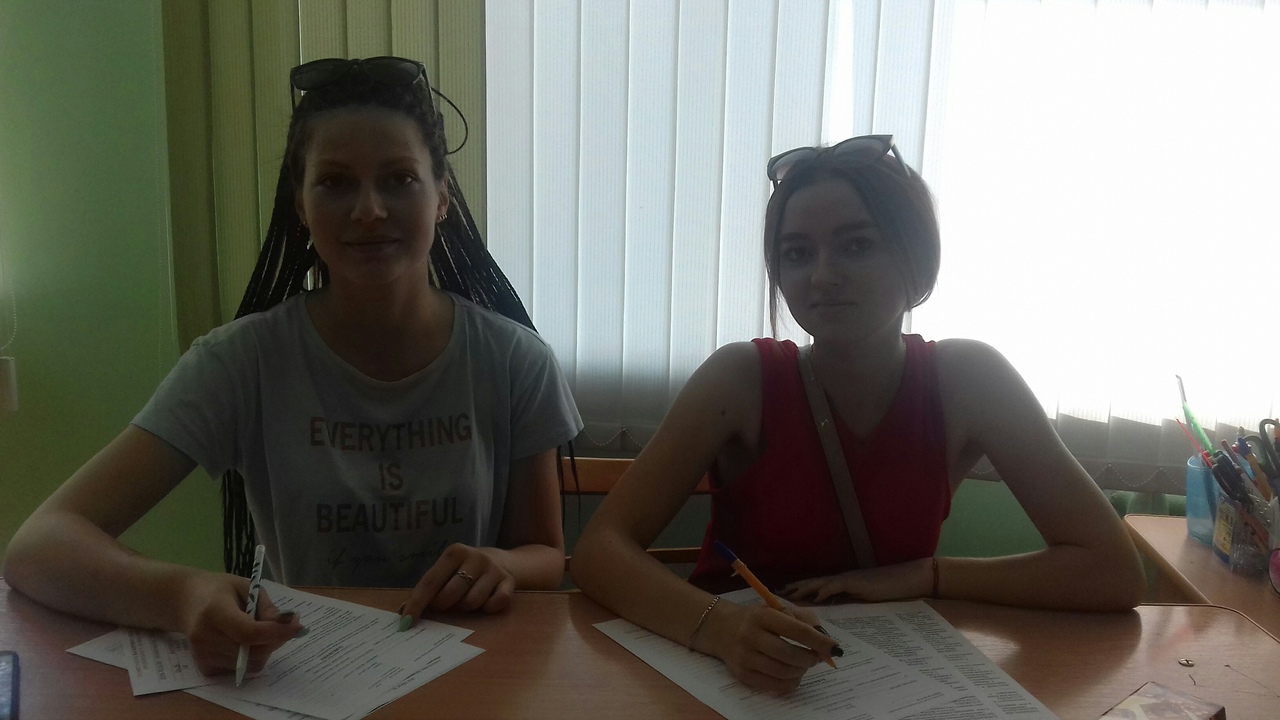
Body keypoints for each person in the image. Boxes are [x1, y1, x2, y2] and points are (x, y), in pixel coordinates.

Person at [3, 56, 582, 675]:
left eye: (399, 179)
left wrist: (502, 565)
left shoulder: (515, 361)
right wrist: (184, 595)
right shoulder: (239, 363)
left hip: (472, 676)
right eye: (334, 183)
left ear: (441, 196)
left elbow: (544, 554)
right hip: (304, 675)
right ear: (301, 205)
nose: (369, 209)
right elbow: (39, 547)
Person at [569, 135, 1145, 694]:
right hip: (732, 676)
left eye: (856, 245)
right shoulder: (741, 378)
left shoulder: (969, 379)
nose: (822, 276)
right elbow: (598, 551)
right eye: (798, 253)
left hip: (889, 680)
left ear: (914, 258)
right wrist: (719, 628)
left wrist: (929, 575)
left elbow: (1112, 572)